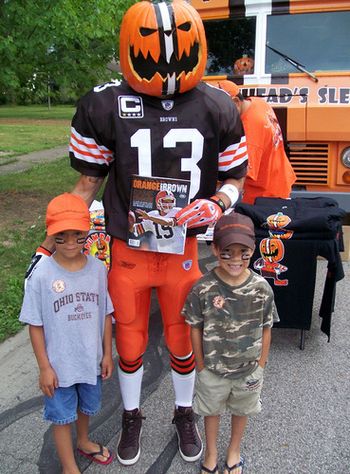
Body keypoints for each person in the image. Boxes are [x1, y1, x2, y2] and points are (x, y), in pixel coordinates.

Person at [25, 1, 248, 466]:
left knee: (182, 337)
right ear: (131, 46)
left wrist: (219, 202)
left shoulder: (217, 104)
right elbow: (87, 183)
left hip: (181, 248)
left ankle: (183, 411)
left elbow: (234, 177)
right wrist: (49, 245)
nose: (166, 60)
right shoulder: (105, 103)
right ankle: (132, 414)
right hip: (129, 247)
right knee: (128, 339)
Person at [20, 193, 114, 472]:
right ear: (51, 235)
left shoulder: (98, 269)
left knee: (86, 407)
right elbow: (35, 324)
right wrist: (44, 367)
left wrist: (107, 353)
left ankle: (83, 441)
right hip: (59, 366)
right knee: (62, 418)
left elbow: (106, 314)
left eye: (78, 235)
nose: (71, 243)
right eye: (61, 236)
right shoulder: (42, 274)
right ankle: (69, 467)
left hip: (90, 361)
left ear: (88, 232)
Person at [182, 212, 279, 474]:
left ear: (253, 249)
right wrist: (200, 366)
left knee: (242, 409)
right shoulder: (202, 288)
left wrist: (261, 365)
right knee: (210, 411)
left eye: (243, 252)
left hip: (248, 369)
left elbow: (266, 327)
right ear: (214, 249)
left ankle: (233, 451)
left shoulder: (261, 288)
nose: (236, 259)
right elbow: (195, 327)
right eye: (227, 252)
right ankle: (212, 453)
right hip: (212, 369)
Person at [217, 80, 296, 205]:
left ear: (236, 102)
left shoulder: (248, 133)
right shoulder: (257, 103)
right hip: (280, 179)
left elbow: (239, 175)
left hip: (264, 197)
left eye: (222, 111)